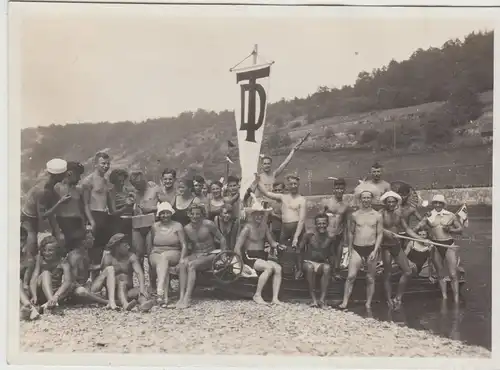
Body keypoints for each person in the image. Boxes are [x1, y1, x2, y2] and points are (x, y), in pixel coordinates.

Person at [255, 172, 306, 279]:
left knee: (298, 249)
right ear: (287, 185)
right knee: (281, 248)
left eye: (295, 184)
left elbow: (301, 220)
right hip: (285, 227)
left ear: (298, 184)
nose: (293, 186)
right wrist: (257, 180)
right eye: (291, 184)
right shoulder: (283, 197)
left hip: (297, 227)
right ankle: (282, 271)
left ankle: (299, 271)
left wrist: (296, 237)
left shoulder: (301, 200)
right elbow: (266, 193)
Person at [414, 194, 463, 303]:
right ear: (433, 204)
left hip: (449, 245)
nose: (437, 205)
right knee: (440, 274)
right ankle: (444, 298)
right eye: (435, 202)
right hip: (436, 245)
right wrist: (421, 224)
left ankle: (456, 299)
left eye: (440, 203)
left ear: (443, 204)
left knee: (453, 273)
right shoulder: (429, 215)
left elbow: (460, 229)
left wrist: (450, 230)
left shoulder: (450, 215)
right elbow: (416, 228)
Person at [379, 191, 424, 310]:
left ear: (396, 202)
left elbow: (407, 229)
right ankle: (389, 299)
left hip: (396, 245)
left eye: (393, 201)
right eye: (389, 202)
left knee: (408, 271)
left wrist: (420, 238)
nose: (391, 204)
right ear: (385, 203)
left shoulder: (399, 214)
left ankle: (398, 298)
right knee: (388, 274)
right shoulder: (380, 214)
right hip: (385, 246)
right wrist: (385, 232)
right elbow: (376, 228)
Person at [176, 204, 226, 309]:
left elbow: (222, 239)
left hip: (211, 254)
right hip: (196, 253)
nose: (195, 216)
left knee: (191, 265)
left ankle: (187, 298)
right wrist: (183, 257)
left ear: (202, 215)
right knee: (182, 264)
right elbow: (187, 246)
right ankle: (181, 296)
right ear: (188, 214)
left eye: (198, 214)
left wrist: (223, 255)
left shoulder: (208, 224)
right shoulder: (187, 228)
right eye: (192, 214)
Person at [339, 190, 383, 309]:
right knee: (351, 276)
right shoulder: (355, 215)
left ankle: (368, 303)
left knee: (370, 278)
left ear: (372, 199)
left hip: (371, 248)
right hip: (357, 248)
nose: (366, 200)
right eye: (364, 198)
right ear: (360, 199)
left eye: (368, 198)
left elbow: (379, 234)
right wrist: (350, 248)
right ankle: (345, 302)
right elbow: (351, 232)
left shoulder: (377, 215)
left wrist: (375, 250)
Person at [234, 203, 283, 305]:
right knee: (268, 268)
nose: (259, 217)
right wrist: (241, 265)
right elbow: (237, 248)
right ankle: (257, 295)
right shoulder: (247, 228)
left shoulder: (264, 227)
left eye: (261, 214)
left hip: (261, 256)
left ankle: (275, 298)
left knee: (278, 268)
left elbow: (272, 242)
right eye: (256, 214)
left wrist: (278, 245)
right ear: (251, 215)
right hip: (250, 256)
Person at [92, 233, 154, 311]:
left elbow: (139, 273)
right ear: (117, 247)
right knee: (121, 283)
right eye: (125, 246)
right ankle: (125, 304)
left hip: (128, 290)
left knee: (141, 291)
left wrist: (142, 288)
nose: (128, 247)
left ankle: (143, 304)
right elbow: (104, 278)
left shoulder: (131, 256)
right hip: (113, 292)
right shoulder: (108, 258)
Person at [21, 158, 68, 258]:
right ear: (58, 176)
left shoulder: (48, 182)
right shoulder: (43, 191)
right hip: (30, 216)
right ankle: (30, 259)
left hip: (31, 208)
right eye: (64, 173)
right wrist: (59, 203)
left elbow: (51, 196)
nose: (66, 175)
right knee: (32, 235)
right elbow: (42, 216)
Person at [146, 202, 188, 307]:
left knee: (164, 257)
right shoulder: (154, 226)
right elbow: (150, 245)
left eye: (167, 213)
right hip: (156, 252)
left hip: (174, 252)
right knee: (162, 259)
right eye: (162, 213)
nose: (165, 215)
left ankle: (160, 292)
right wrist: (150, 256)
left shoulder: (177, 225)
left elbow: (184, 245)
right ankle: (163, 297)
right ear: (159, 215)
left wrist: (182, 258)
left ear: (171, 213)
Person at [81, 152, 113, 277]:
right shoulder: (88, 181)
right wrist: (91, 221)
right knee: (90, 250)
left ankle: (95, 282)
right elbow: (85, 204)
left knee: (100, 250)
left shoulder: (105, 181)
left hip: (103, 216)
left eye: (108, 164)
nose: (106, 166)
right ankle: (85, 280)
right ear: (95, 164)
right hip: (93, 215)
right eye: (103, 163)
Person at [298, 213, 334, 308]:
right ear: (315, 224)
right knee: (309, 268)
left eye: (323, 223)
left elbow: (332, 254)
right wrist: (299, 269)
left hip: (321, 263)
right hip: (308, 262)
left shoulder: (330, 237)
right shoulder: (309, 235)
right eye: (319, 223)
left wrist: (335, 270)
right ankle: (313, 300)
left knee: (327, 268)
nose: (321, 225)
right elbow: (299, 250)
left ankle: (322, 300)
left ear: (327, 224)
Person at [29, 235, 72, 313]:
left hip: (55, 292)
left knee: (71, 285)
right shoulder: (40, 259)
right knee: (46, 273)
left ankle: (48, 304)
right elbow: (34, 278)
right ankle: (53, 304)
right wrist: (34, 295)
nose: (47, 253)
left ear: (56, 250)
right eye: (44, 250)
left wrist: (56, 295)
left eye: (50, 250)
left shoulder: (62, 261)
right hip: (41, 291)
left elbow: (67, 281)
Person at [129, 171, 162, 265]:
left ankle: (152, 278)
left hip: (150, 225)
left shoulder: (155, 189)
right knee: (138, 254)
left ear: (144, 181)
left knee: (150, 253)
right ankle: (141, 278)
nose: (137, 187)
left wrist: (151, 208)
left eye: (139, 184)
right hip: (137, 224)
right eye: (135, 185)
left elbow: (166, 205)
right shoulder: (135, 191)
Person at [53, 161, 87, 253]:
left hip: (77, 223)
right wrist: (58, 231)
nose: (79, 178)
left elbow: (81, 209)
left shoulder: (78, 190)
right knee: (64, 251)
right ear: (69, 173)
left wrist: (83, 225)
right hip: (63, 222)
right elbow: (52, 211)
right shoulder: (57, 187)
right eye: (78, 175)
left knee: (78, 251)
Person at [321, 178, 349, 277]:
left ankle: (336, 271)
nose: (339, 191)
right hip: (327, 233)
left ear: (344, 189)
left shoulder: (345, 205)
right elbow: (319, 218)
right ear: (333, 189)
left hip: (338, 233)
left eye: (341, 188)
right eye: (337, 188)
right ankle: (329, 272)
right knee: (328, 254)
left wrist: (346, 239)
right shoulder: (326, 202)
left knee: (338, 253)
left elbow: (345, 222)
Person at [108, 169, 135, 243]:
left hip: (131, 222)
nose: (122, 183)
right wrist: (126, 207)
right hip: (118, 223)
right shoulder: (111, 193)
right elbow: (113, 212)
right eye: (119, 181)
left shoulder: (129, 190)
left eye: (123, 181)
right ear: (114, 181)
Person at [20, 226, 40, 320]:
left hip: (19, 292)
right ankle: (30, 309)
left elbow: (25, 284)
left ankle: (26, 307)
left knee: (18, 282)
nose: (20, 244)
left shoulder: (28, 258)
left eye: (22, 240)